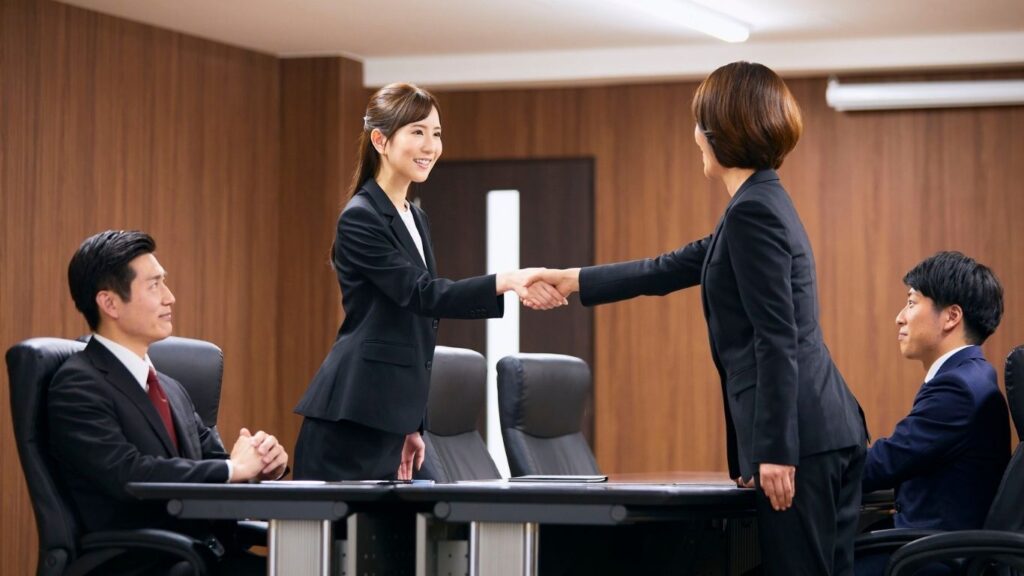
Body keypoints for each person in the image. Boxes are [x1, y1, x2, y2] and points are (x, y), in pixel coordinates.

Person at [534, 62, 867, 575]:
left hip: (804, 438)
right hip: (822, 430)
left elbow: (776, 338)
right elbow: (668, 267)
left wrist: (776, 450)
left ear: (721, 131)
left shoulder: (753, 211)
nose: (694, 135)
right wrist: (573, 279)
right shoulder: (758, 203)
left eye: (699, 123)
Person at [293, 83, 564, 481]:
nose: (430, 146)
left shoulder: (414, 216)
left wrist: (411, 424)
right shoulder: (360, 216)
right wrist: (506, 280)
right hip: (352, 421)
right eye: (417, 132)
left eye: (436, 134)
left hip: (387, 418)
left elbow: (413, 326)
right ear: (380, 141)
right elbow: (421, 295)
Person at [49, 229, 289, 576]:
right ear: (110, 303)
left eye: (165, 282)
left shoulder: (172, 388)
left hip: (203, 554)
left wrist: (262, 464)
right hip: (144, 564)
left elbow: (215, 464)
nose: (170, 297)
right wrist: (234, 469)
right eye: (154, 285)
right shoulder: (78, 384)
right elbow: (129, 473)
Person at [862, 252, 1009, 528]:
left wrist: (804, 472)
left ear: (951, 317)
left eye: (911, 303)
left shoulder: (958, 389)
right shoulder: (973, 376)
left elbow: (885, 462)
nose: (899, 318)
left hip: (930, 548)